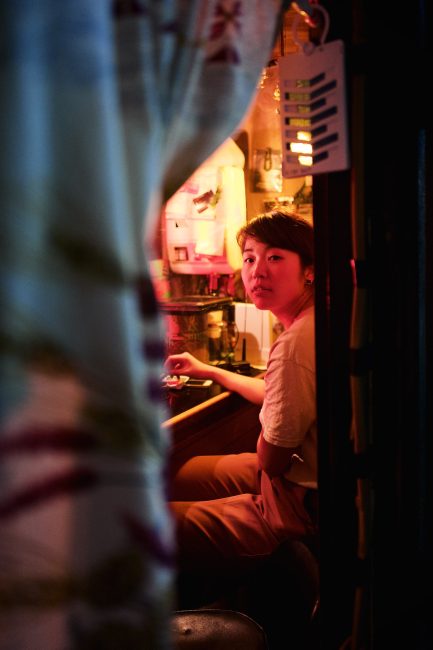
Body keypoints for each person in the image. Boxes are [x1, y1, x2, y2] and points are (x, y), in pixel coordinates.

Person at [165, 211, 318, 606]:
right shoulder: (311, 322)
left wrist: (271, 425)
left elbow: (271, 458)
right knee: (179, 473)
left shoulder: (297, 342)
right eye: (250, 258)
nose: (257, 271)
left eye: (275, 257)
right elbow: (273, 392)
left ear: (309, 271)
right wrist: (209, 370)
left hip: (295, 508)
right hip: (296, 482)